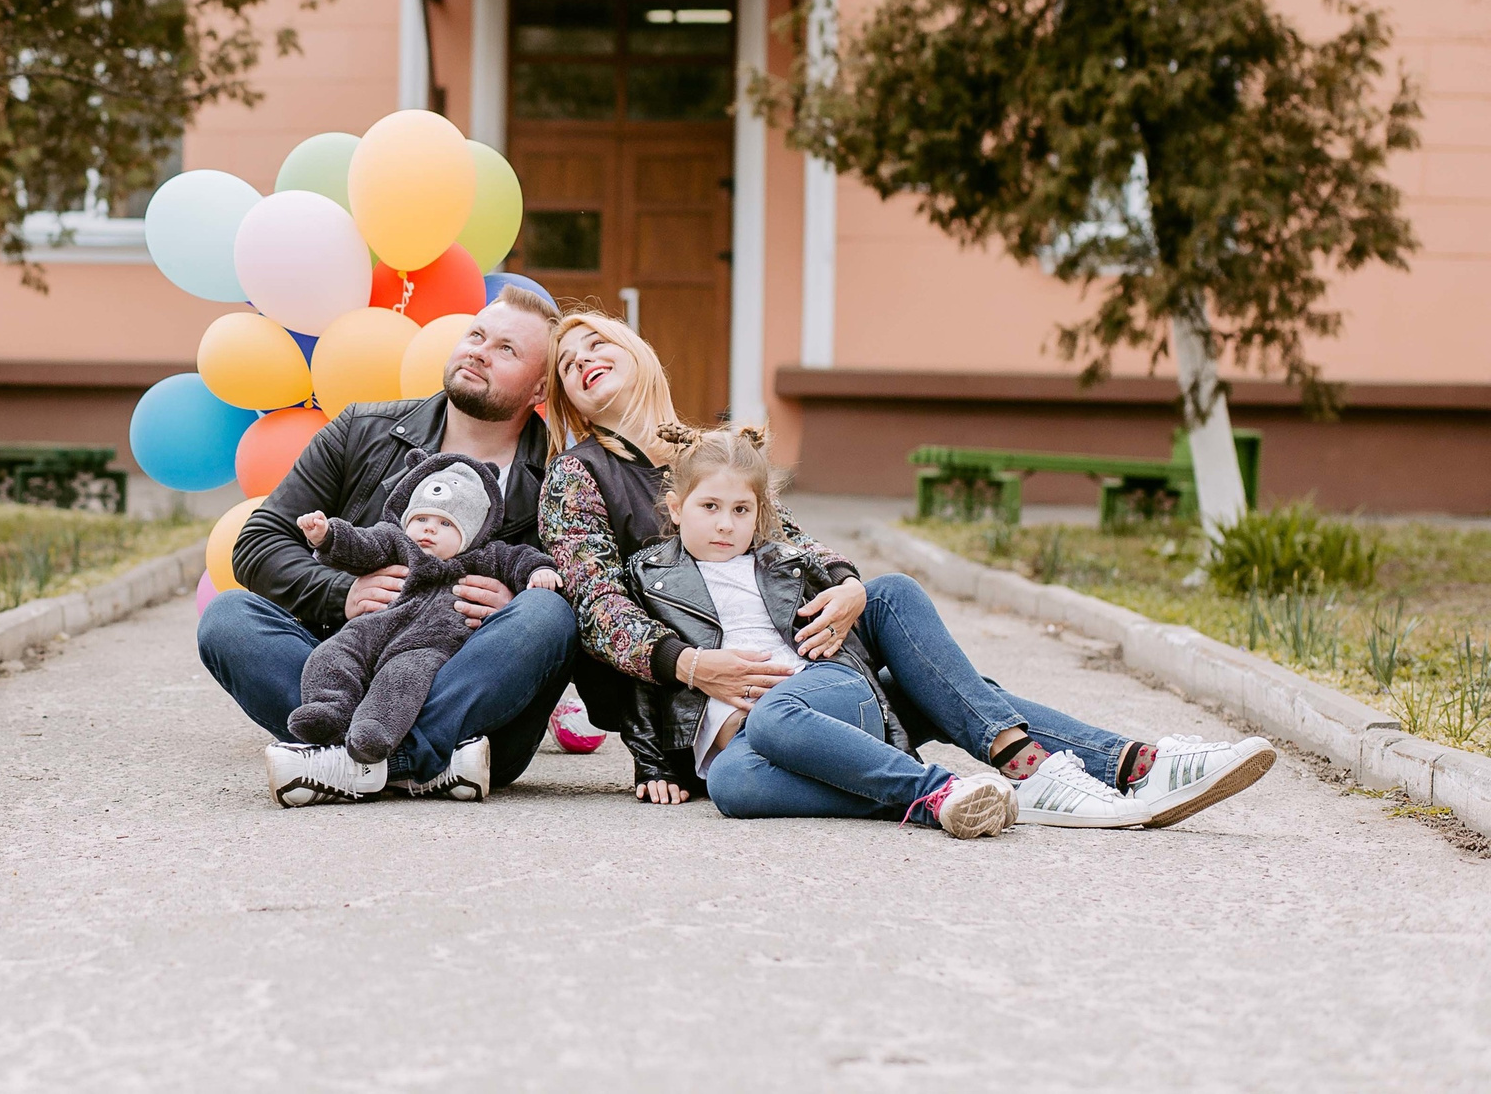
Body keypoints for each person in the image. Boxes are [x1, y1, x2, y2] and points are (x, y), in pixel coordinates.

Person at [540, 310, 1276, 829]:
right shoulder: (578, 475)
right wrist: (691, 668)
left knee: (888, 595)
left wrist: (847, 585)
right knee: (764, 767)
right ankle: (990, 785)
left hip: (807, 666)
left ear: (637, 350)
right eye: (566, 364)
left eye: (595, 342)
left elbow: (794, 546)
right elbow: (599, 609)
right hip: (717, 702)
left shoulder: (717, 453)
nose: (582, 361)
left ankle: (1127, 764)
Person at [198, 286, 579, 807]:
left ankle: (351, 763)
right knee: (227, 618)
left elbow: (591, 594)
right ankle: (415, 763)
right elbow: (259, 542)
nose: (479, 352)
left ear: (540, 388)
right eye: (476, 335)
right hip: (355, 668)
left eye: (506, 349)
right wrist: (343, 593)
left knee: (547, 615)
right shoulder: (362, 430)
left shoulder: (563, 474)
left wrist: (515, 606)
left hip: (475, 705)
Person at [622, 426, 1020, 834]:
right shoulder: (651, 577)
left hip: (823, 693)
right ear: (676, 508)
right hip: (750, 743)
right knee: (729, 783)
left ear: (759, 513)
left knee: (772, 715)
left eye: (741, 510)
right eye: (710, 506)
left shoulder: (781, 560)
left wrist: (849, 584)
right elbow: (639, 675)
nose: (725, 524)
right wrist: (653, 765)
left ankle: (936, 787)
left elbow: (837, 602)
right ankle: (933, 803)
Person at [283, 453, 561, 793]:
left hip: (426, 645)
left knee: (402, 679)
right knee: (332, 655)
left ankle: (374, 737)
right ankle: (328, 713)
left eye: (446, 524)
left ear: (472, 533)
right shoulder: (395, 542)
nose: (429, 528)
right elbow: (361, 545)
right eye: (422, 518)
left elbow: (519, 559)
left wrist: (538, 571)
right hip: (372, 629)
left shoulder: (484, 557)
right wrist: (328, 536)